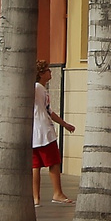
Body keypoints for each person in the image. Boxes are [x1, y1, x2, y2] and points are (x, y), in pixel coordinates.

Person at [31, 61, 75, 206]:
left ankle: (36, 198)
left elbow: (49, 111)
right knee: (54, 162)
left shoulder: (41, 89)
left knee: (35, 166)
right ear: (42, 73)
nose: (51, 73)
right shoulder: (38, 88)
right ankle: (57, 193)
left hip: (35, 133)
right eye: (48, 70)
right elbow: (48, 111)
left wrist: (65, 124)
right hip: (44, 132)